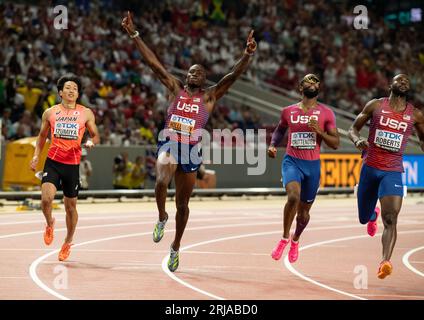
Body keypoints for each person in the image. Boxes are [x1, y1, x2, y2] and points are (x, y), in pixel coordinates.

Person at [122, 11, 257, 272]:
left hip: (192, 150)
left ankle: (175, 246)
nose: (194, 74)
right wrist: (134, 34)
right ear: (185, 77)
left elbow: (232, 76)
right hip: (171, 142)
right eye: (191, 71)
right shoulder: (175, 88)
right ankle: (161, 216)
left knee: (183, 205)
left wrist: (248, 54)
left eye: (199, 72)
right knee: (162, 177)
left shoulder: (209, 96)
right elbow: (154, 64)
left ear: (204, 79)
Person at [348, 74, 424, 279]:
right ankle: (372, 215)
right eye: (400, 80)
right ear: (390, 85)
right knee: (363, 218)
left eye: (408, 81)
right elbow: (353, 129)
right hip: (370, 168)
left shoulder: (415, 115)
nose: (404, 82)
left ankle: (385, 261)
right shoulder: (375, 106)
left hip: (393, 171)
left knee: (391, 218)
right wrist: (357, 141)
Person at [268, 74, 340, 263]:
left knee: (304, 213)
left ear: (319, 87)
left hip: (313, 166)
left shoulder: (327, 113)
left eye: (316, 81)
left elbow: (335, 144)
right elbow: (280, 130)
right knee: (293, 197)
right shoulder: (288, 111)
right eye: (308, 81)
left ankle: (295, 240)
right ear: (301, 87)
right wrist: (273, 144)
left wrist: (320, 132)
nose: (312, 83)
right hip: (292, 161)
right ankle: (284, 238)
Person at [30, 74, 100, 261]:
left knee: (70, 207)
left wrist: (91, 143)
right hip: (53, 162)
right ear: (60, 92)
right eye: (68, 87)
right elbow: (42, 137)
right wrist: (36, 155)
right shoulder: (50, 112)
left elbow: (95, 136)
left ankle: (68, 241)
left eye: (75, 89)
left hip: (72, 164)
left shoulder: (86, 113)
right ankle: (49, 223)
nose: (71, 91)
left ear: (78, 94)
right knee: (46, 200)